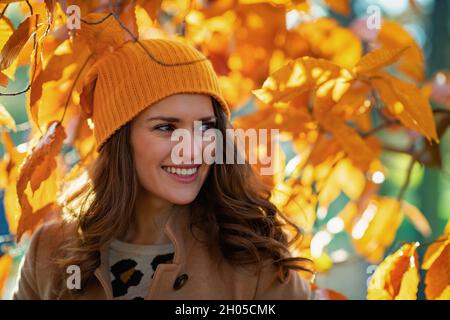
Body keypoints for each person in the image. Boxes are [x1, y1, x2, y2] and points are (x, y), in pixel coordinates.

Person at [13, 38, 312, 300]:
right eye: (167, 127)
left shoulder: (254, 258)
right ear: (118, 139)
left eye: (206, 127)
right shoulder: (50, 251)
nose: (192, 148)